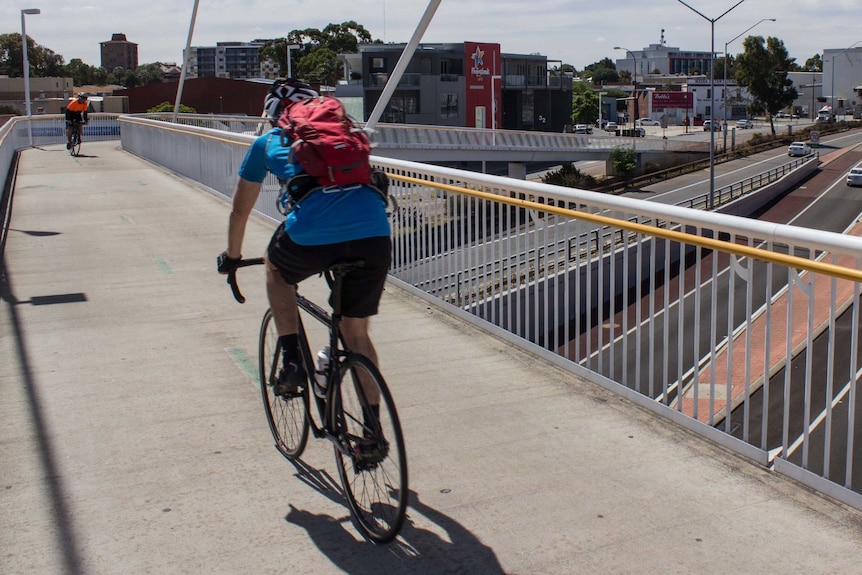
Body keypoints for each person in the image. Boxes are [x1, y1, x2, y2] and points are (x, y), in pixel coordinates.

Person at [217, 78, 391, 401]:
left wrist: (232, 257)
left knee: (275, 268)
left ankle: (293, 361)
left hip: (313, 232)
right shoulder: (344, 134)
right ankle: (373, 435)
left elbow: (239, 213)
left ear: (274, 116)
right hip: (374, 231)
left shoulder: (267, 142)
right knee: (356, 333)